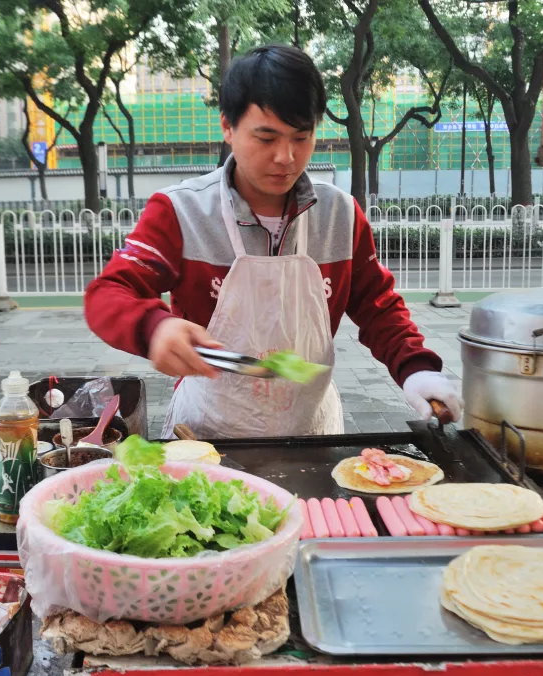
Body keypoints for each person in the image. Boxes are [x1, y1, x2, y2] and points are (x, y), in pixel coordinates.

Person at [84, 45, 462, 439]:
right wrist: (154, 327)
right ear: (227, 127)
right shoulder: (182, 212)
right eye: (266, 138)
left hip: (310, 433)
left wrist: (416, 368)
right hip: (206, 432)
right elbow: (108, 293)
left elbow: (379, 307)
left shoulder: (339, 215)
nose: (286, 157)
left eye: (302, 137)